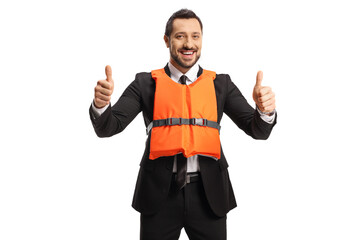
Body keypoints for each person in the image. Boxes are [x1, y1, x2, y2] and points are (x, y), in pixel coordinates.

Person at [89, 8, 277, 240]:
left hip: (209, 195)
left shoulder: (222, 85)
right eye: (180, 36)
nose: (189, 43)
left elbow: (257, 131)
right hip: (158, 195)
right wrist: (100, 104)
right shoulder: (144, 83)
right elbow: (109, 127)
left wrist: (264, 110)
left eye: (195, 36)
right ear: (167, 40)